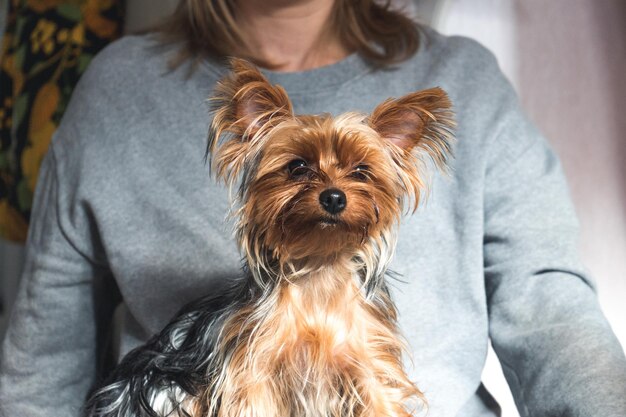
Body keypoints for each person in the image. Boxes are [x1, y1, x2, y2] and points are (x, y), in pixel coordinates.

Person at [1, 0, 625, 416]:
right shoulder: (117, 88)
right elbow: (44, 356)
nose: (330, 188)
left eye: (356, 172)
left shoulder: (467, 77)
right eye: (299, 168)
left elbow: (549, 308)